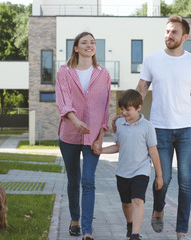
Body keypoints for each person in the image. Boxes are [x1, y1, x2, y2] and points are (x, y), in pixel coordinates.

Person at [136, 16, 191, 240]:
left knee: (186, 181)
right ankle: (158, 208)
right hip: (159, 128)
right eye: (167, 31)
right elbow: (141, 89)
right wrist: (128, 115)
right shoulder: (152, 60)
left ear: (185, 37)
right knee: (164, 178)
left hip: (187, 129)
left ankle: (182, 232)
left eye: (174, 32)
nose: (169, 35)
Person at [55, 32, 111, 240]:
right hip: (69, 133)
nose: (89, 45)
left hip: (93, 136)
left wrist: (101, 136)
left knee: (88, 181)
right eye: (84, 42)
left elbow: (105, 106)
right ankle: (75, 220)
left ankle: (87, 230)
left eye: (93, 43)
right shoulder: (65, 72)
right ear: (76, 48)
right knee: (73, 180)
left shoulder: (103, 73)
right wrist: (76, 121)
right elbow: (63, 100)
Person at [101, 89, 163, 240]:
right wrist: (101, 150)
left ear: (139, 107)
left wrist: (159, 176)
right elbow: (117, 146)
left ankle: (135, 234)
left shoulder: (147, 126)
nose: (124, 113)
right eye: (122, 109)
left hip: (140, 171)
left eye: (128, 110)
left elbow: (153, 151)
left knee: (137, 200)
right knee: (126, 203)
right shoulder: (120, 124)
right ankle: (130, 224)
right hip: (122, 171)